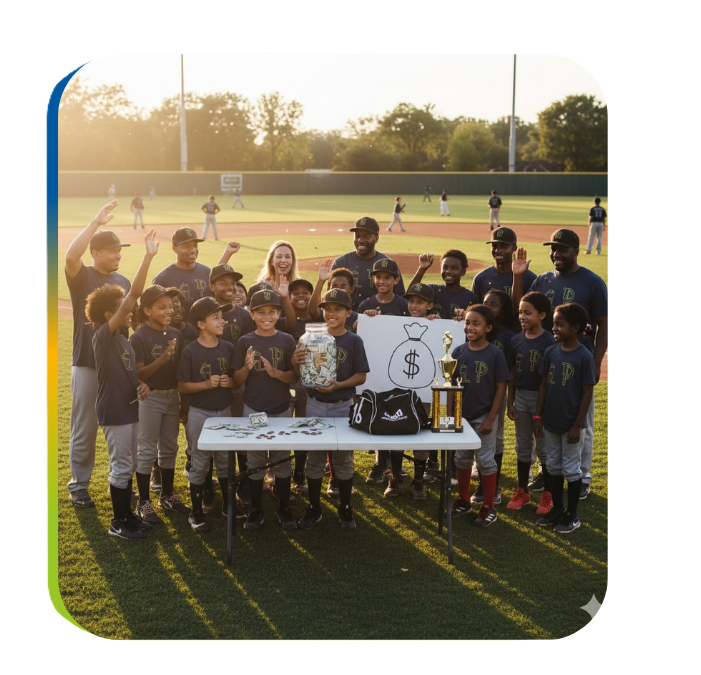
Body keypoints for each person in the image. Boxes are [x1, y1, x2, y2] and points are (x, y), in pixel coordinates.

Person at [512, 228, 607, 499]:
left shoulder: (592, 282)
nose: (556, 254)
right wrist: (518, 277)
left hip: (579, 362)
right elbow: (522, 307)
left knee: (581, 423)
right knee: (546, 421)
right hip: (546, 363)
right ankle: (548, 472)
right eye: (553, 249)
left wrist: (597, 361)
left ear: (576, 251)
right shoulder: (543, 280)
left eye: (562, 249)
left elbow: (604, 324)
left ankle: (583, 477)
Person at [83, 230, 159, 538]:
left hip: (129, 408)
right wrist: (148, 256)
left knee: (130, 462)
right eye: (122, 308)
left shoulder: (124, 341)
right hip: (114, 411)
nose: (129, 312)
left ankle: (128, 517)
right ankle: (118, 523)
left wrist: (142, 386)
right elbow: (134, 295)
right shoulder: (103, 335)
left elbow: (129, 375)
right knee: (121, 465)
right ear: (108, 314)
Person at [65, 200, 132, 508]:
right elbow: (70, 256)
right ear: (96, 253)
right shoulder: (83, 277)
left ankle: (119, 481)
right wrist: (96, 222)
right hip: (87, 362)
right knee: (85, 426)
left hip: (118, 366)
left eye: (119, 250)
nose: (118, 254)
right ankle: (79, 485)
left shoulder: (123, 282)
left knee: (120, 425)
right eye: (112, 250)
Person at [292, 288, 370, 530]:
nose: (331, 313)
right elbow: (301, 375)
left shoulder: (354, 340)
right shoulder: (311, 338)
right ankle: (314, 507)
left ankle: (345, 508)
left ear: (349, 312)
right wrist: (295, 361)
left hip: (342, 405)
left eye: (338, 309)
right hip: (315, 404)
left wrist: (339, 385)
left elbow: (361, 376)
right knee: (315, 457)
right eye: (327, 309)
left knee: (343, 459)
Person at [232, 290, 298, 532]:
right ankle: (256, 509)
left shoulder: (286, 340)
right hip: (255, 410)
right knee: (256, 460)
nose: (266, 316)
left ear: (279, 314)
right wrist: (246, 368)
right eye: (260, 312)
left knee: (281, 459)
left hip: (280, 409)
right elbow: (237, 381)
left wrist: (275, 373)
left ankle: (284, 508)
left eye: (272, 311)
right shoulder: (244, 341)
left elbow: (294, 377)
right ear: (252, 315)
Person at [177, 297, 238, 534]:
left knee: (224, 460)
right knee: (200, 461)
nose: (222, 321)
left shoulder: (228, 347)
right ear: (201, 324)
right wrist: (205, 384)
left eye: (222, 317)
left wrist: (228, 381)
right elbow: (182, 386)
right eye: (216, 318)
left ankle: (228, 507)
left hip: (224, 411)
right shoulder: (190, 351)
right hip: (199, 412)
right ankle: (196, 512)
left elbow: (235, 382)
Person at [130, 285, 190, 525]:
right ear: (147, 310)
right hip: (150, 398)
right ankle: (144, 501)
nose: (169, 311)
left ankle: (167, 495)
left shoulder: (176, 333)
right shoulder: (139, 336)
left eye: (171, 306)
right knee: (146, 450)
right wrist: (163, 359)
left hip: (172, 396)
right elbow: (139, 374)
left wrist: (183, 402)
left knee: (169, 447)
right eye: (162, 307)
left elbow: (181, 372)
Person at [533, 303, 595, 534]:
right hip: (550, 421)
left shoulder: (584, 356)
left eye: (559, 324)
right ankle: (557, 509)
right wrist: (538, 415)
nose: (554, 328)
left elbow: (587, 393)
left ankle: (572, 514)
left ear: (575, 328)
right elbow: (543, 385)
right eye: (554, 323)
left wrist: (577, 425)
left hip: (571, 425)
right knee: (553, 466)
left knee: (571, 469)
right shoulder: (551, 352)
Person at [448, 305, 510, 527]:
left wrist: (491, 417)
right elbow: (451, 384)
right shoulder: (458, 352)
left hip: (484, 416)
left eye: (476, 323)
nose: (470, 327)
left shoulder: (495, 354)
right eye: (467, 322)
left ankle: (489, 506)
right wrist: (451, 415)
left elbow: (501, 388)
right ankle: (464, 500)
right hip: (462, 417)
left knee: (485, 460)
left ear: (488, 328)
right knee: (462, 459)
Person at [505, 292, 555, 512]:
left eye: (528, 312)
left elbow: (547, 380)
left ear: (542, 315)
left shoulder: (549, 341)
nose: (522, 317)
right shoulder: (516, 340)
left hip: (541, 399)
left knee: (544, 447)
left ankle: (548, 495)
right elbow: (512, 373)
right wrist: (510, 401)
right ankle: (522, 491)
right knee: (523, 445)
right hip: (522, 397)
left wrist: (540, 412)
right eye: (520, 312)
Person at [469, 289, 516, 506]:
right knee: (472, 441)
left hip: (495, 394)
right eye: (486, 303)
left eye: (494, 305)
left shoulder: (507, 336)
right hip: (473, 393)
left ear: (503, 310)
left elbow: (508, 372)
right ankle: (478, 479)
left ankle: (492, 486)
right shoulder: (473, 330)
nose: (488, 307)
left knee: (495, 439)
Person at [331, 217, 405, 310]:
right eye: (357, 236)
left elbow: (400, 298)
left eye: (366, 236)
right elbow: (331, 296)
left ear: (376, 238)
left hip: (378, 317)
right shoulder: (341, 262)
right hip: (346, 316)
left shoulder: (387, 264)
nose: (360, 240)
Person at [152, 228, 213, 316]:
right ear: (174, 249)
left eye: (195, 246)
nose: (193, 250)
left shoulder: (207, 272)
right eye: (186, 246)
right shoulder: (163, 278)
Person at [472, 227, 536, 303]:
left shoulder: (530, 278)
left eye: (504, 246)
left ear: (514, 248)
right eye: (494, 246)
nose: (497, 250)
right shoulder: (481, 278)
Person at [409, 249, 478, 320]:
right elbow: (411, 293)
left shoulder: (470, 297)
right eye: (445, 267)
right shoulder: (432, 290)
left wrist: (464, 315)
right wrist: (422, 269)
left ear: (463, 271)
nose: (448, 271)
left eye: (454, 268)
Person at [308, 260, 359, 333]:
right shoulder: (326, 313)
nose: (338, 289)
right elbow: (312, 311)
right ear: (329, 289)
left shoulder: (356, 318)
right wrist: (320, 281)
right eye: (334, 286)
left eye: (343, 286)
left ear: (352, 289)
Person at [256, 240, 299, 320]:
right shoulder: (262, 285)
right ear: (271, 261)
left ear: (293, 261)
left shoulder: (299, 285)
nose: (283, 260)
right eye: (279, 256)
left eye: (288, 257)